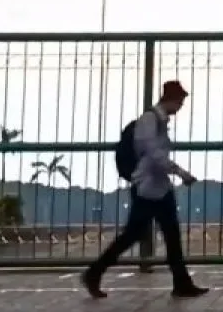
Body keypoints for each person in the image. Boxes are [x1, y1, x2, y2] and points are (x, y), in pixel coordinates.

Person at [82, 80, 208, 299]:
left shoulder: (158, 121)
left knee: (169, 235)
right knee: (135, 235)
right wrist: (180, 172)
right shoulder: (150, 121)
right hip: (147, 189)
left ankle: (182, 282)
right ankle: (95, 272)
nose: (180, 106)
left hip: (158, 188)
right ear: (171, 99)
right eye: (180, 101)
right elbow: (153, 155)